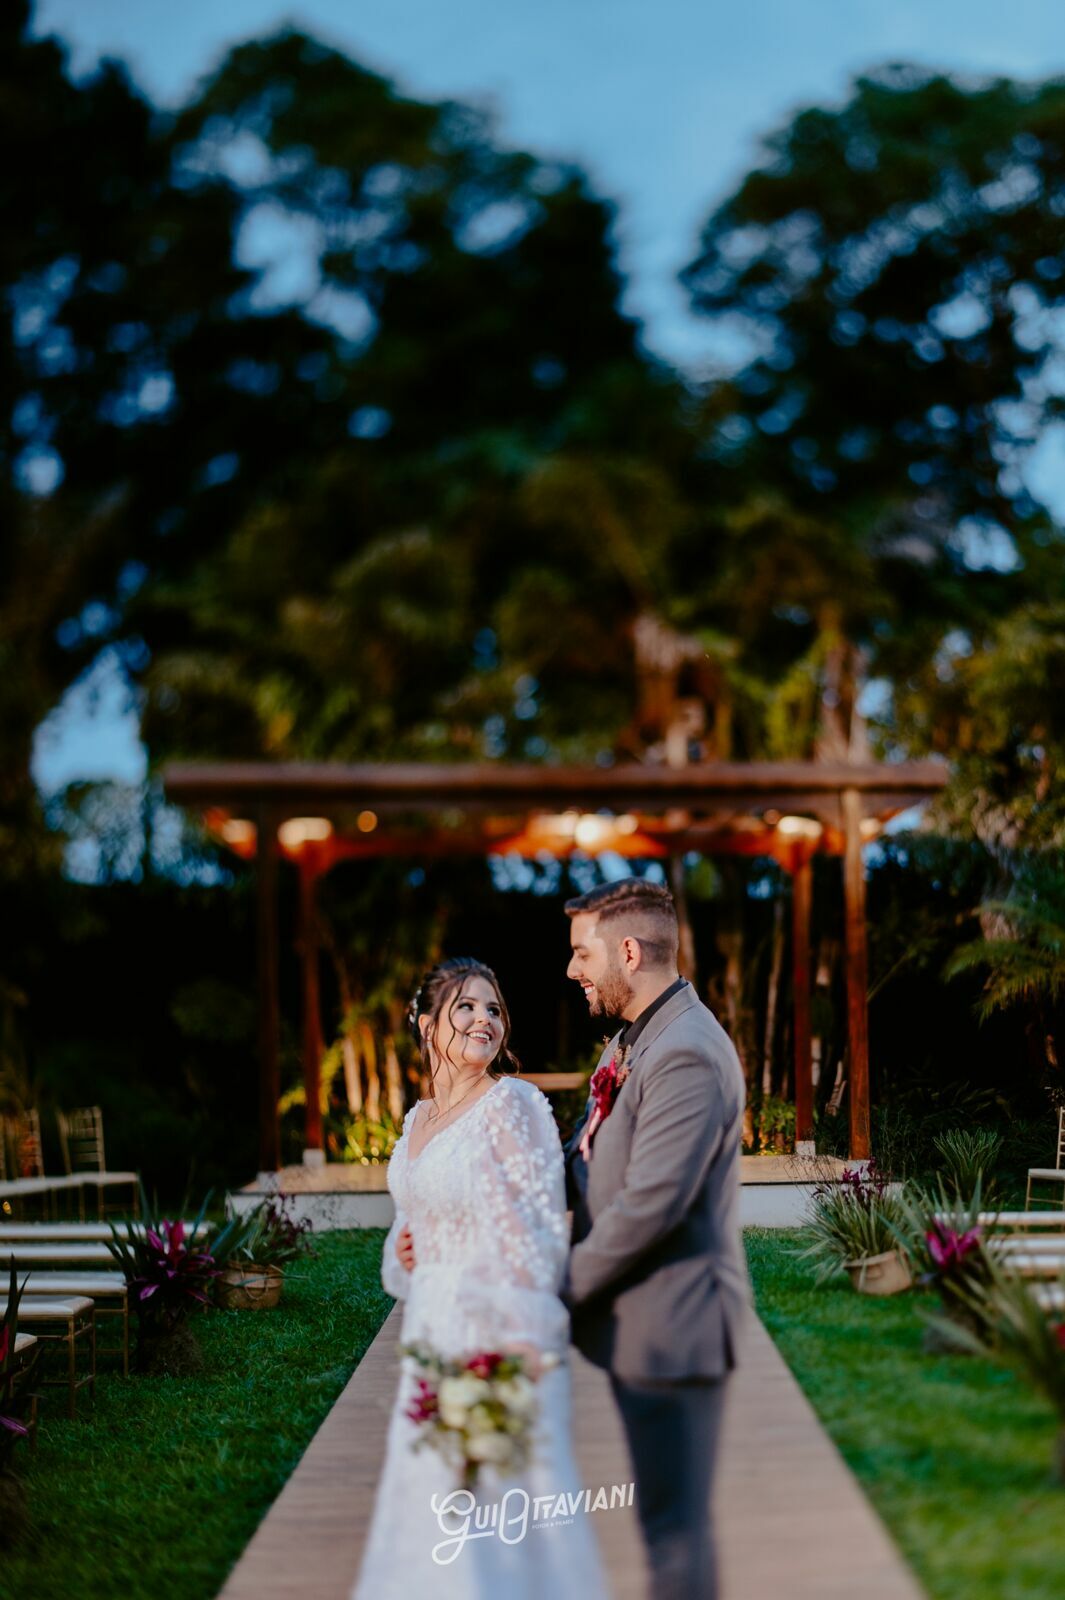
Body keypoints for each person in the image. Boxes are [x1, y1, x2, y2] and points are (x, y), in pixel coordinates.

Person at [352, 957, 611, 1600]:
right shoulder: (415, 1123)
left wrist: (519, 1347)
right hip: (429, 1333)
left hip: (495, 1334)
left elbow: (540, 1234)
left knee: (499, 1511)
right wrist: (404, 1250)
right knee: (431, 1502)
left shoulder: (515, 1106)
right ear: (428, 1024)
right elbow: (411, 1224)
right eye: (465, 1007)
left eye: (493, 1009)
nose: (483, 1020)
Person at [562, 877, 747, 1600]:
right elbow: (584, 1158)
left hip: (676, 1330)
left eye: (582, 954)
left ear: (628, 952)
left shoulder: (687, 1052)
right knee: (661, 1527)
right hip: (641, 1327)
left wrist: (550, 1288)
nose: (572, 970)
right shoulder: (634, 1039)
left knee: (675, 1536)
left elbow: (649, 1208)